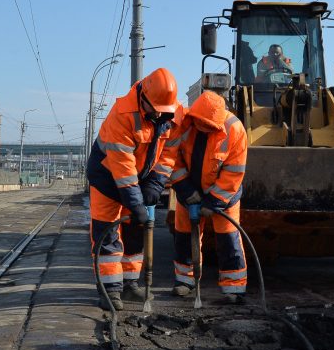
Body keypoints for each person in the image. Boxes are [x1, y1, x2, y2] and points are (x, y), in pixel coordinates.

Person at [86, 67, 180, 311]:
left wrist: (155, 184)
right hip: (107, 177)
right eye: (154, 110)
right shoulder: (123, 114)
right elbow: (122, 166)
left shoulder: (168, 113)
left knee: (135, 234)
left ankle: (130, 286)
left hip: (137, 179)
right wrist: (136, 203)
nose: (159, 115)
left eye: (164, 112)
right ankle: (110, 291)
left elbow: (169, 154)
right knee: (108, 235)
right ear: (143, 97)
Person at [167, 90, 249, 304]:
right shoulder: (182, 125)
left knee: (228, 238)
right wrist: (185, 189)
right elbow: (172, 159)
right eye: (202, 124)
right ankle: (185, 281)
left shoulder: (235, 130)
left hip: (224, 195)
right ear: (194, 118)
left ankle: (234, 287)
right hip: (189, 191)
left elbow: (234, 171)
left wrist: (213, 202)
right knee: (184, 236)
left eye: (210, 127)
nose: (206, 129)